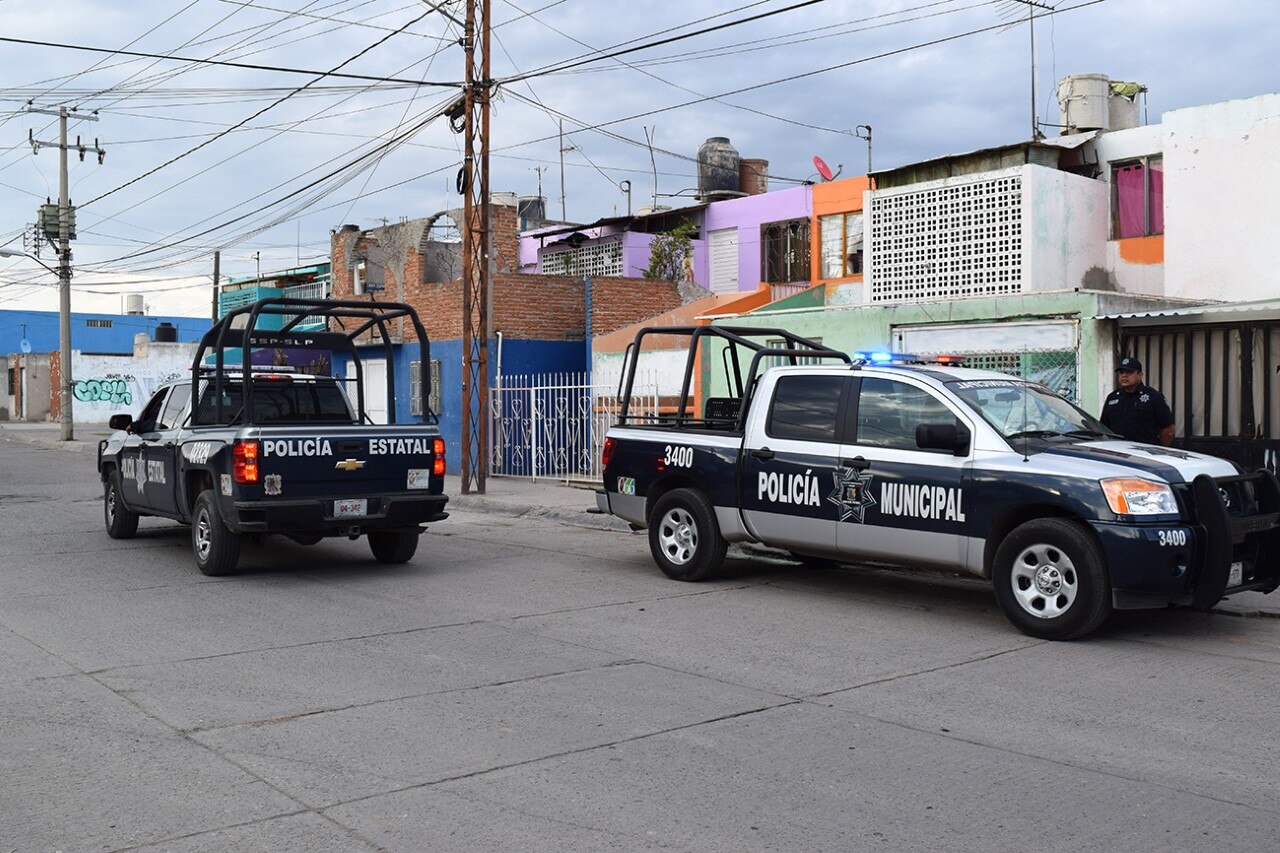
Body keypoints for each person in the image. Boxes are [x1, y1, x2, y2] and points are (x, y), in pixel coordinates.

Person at [1100, 357, 1175, 446]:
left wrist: (1159, 450)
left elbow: (1168, 430)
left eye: (1129, 372)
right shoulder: (1112, 397)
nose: (1124, 375)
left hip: (1144, 453)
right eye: (1121, 372)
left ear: (1140, 375)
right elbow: (1103, 428)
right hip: (1117, 452)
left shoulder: (1154, 397)